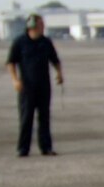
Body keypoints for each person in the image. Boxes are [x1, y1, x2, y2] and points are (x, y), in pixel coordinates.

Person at [7, 12, 63, 156]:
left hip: (44, 86)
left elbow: (55, 59)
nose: (42, 26)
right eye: (40, 24)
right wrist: (15, 80)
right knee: (26, 118)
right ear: (32, 26)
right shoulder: (20, 42)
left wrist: (59, 73)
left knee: (44, 117)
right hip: (27, 87)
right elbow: (11, 63)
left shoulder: (46, 42)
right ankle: (23, 149)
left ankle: (46, 147)